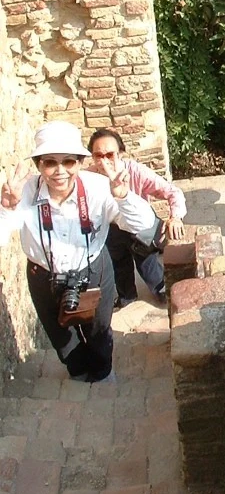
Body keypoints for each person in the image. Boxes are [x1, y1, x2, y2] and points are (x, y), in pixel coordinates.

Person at [0, 121, 157, 383]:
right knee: (60, 334)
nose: (59, 171)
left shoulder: (98, 188)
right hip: (44, 274)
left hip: (93, 268)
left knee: (99, 328)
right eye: (50, 162)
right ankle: (79, 374)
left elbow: (143, 225)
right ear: (39, 165)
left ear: (80, 163)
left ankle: (104, 375)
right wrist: (6, 209)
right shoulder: (24, 193)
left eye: (68, 162)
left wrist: (123, 196)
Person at [87, 128, 187, 307]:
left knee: (147, 264)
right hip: (111, 229)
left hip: (138, 229)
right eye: (98, 156)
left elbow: (173, 192)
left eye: (109, 155)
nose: (104, 162)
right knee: (118, 263)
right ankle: (127, 296)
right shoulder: (90, 177)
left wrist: (175, 217)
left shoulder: (135, 171)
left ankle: (161, 290)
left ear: (120, 154)